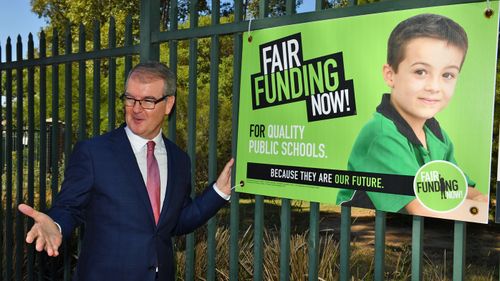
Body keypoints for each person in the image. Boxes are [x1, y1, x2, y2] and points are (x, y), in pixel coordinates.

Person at [18, 61, 234, 281]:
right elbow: (68, 207)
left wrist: (219, 191)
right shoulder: (94, 152)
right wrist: (55, 225)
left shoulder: (179, 160)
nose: (136, 109)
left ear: (168, 104)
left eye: (148, 101)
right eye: (130, 99)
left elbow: (175, 222)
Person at [336, 13, 487, 221]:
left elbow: (458, 186)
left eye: (447, 75)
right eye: (420, 72)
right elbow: (421, 208)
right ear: (390, 75)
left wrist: (478, 198)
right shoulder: (381, 135)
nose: (434, 87)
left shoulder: (437, 134)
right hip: (360, 237)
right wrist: (478, 211)